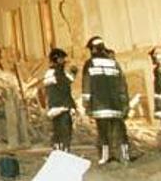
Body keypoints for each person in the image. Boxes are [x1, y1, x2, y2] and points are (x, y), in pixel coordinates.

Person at [82, 36, 131, 165]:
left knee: (103, 133)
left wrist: (86, 105)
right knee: (120, 131)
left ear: (93, 49)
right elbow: (122, 84)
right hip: (115, 105)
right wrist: (125, 103)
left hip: (100, 106)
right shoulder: (114, 63)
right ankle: (125, 156)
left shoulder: (90, 64)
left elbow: (87, 86)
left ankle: (105, 158)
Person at [44, 48, 77, 152]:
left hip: (54, 107)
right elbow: (64, 87)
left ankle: (57, 153)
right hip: (62, 107)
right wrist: (73, 74)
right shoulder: (57, 73)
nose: (64, 62)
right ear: (57, 59)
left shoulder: (49, 73)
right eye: (62, 59)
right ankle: (64, 154)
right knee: (65, 134)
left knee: (57, 134)